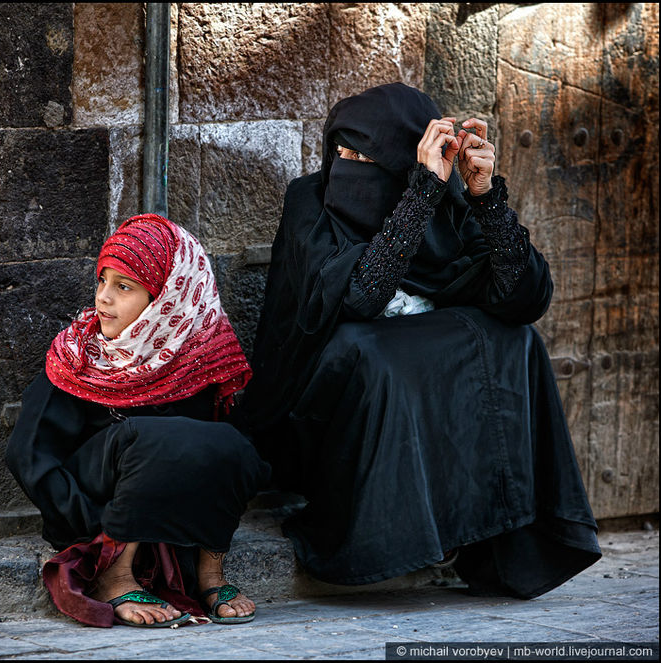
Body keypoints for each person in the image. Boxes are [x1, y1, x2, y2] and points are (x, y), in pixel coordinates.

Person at [241, 82, 601, 599]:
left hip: (430, 384)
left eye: (364, 155)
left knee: (517, 341)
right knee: (374, 354)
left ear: (397, 158)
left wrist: (483, 194)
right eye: (341, 151)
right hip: (323, 405)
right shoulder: (311, 200)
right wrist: (420, 192)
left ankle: (495, 536)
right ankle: (387, 537)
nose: (347, 163)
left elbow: (525, 299)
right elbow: (360, 297)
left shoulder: (452, 206)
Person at [5, 213, 271, 628]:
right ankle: (115, 575)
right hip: (100, 515)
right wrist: (99, 532)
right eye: (102, 281)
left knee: (234, 444)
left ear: (168, 299)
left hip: (168, 522)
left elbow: (226, 460)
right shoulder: (79, 356)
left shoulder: (202, 354)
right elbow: (27, 456)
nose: (103, 299)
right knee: (148, 438)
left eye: (123, 287)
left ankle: (210, 572)